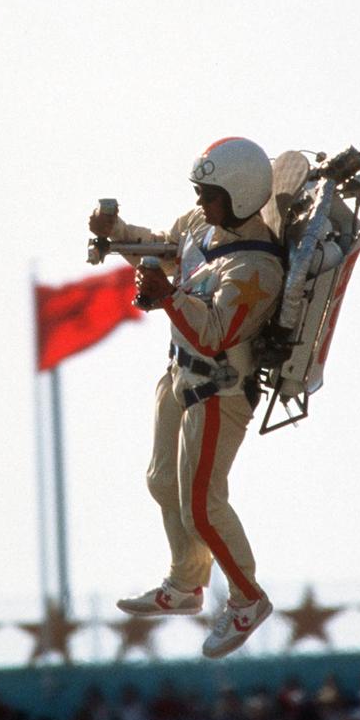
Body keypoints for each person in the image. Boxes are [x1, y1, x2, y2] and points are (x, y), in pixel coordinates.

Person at [89, 137, 284, 658]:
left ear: (239, 196)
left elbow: (217, 331)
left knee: (202, 504)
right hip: (181, 374)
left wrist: (167, 295)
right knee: (161, 481)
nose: (201, 204)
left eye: (210, 195)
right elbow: (166, 248)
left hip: (219, 390)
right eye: (199, 192)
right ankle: (184, 584)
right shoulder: (202, 227)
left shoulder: (256, 268)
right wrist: (119, 236)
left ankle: (247, 598)